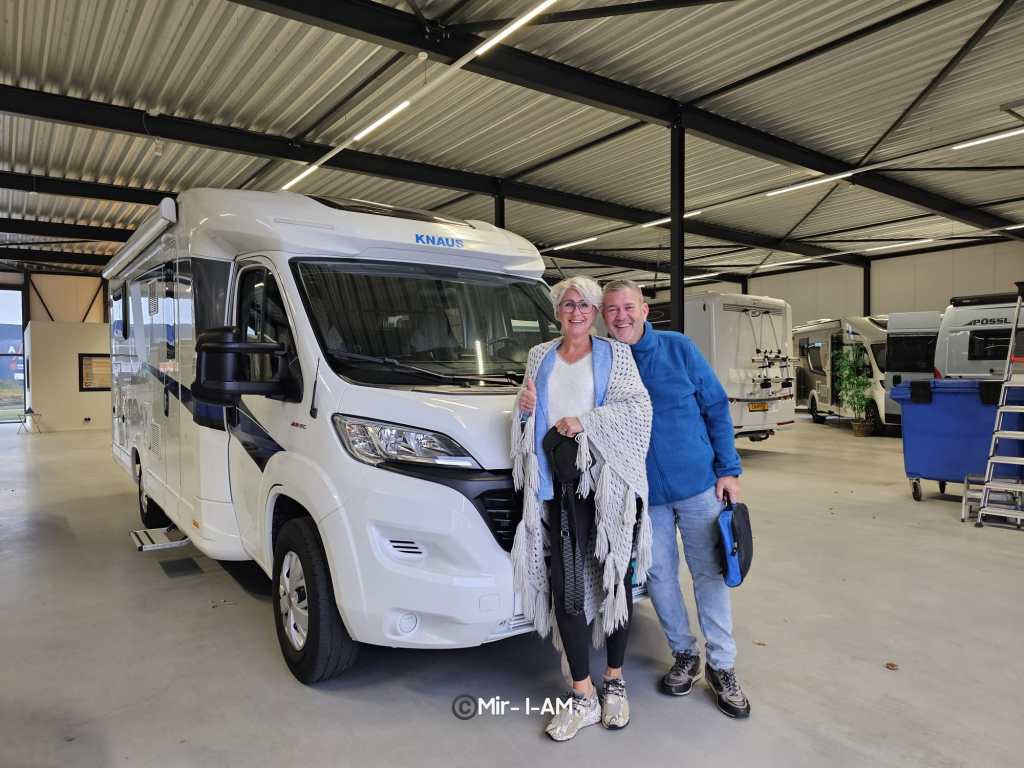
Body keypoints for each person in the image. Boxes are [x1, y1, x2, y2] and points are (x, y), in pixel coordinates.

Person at [601, 279, 750, 719]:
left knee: (710, 573)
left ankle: (722, 665)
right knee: (660, 576)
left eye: (628, 307)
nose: (621, 316)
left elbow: (716, 406)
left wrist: (728, 469)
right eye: (612, 309)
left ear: (645, 310)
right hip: (645, 496)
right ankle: (685, 654)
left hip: (699, 484)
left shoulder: (678, 348)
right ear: (603, 316)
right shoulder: (604, 361)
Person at [510, 275, 652, 741]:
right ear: (557, 311)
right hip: (560, 487)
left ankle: (615, 681)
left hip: (609, 489)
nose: (577, 311)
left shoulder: (616, 354)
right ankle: (583, 693)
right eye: (569, 304)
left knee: (615, 582)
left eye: (586, 305)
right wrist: (524, 409)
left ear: (596, 313)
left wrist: (584, 421)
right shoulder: (540, 356)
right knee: (565, 589)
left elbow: (638, 411)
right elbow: (528, 420)